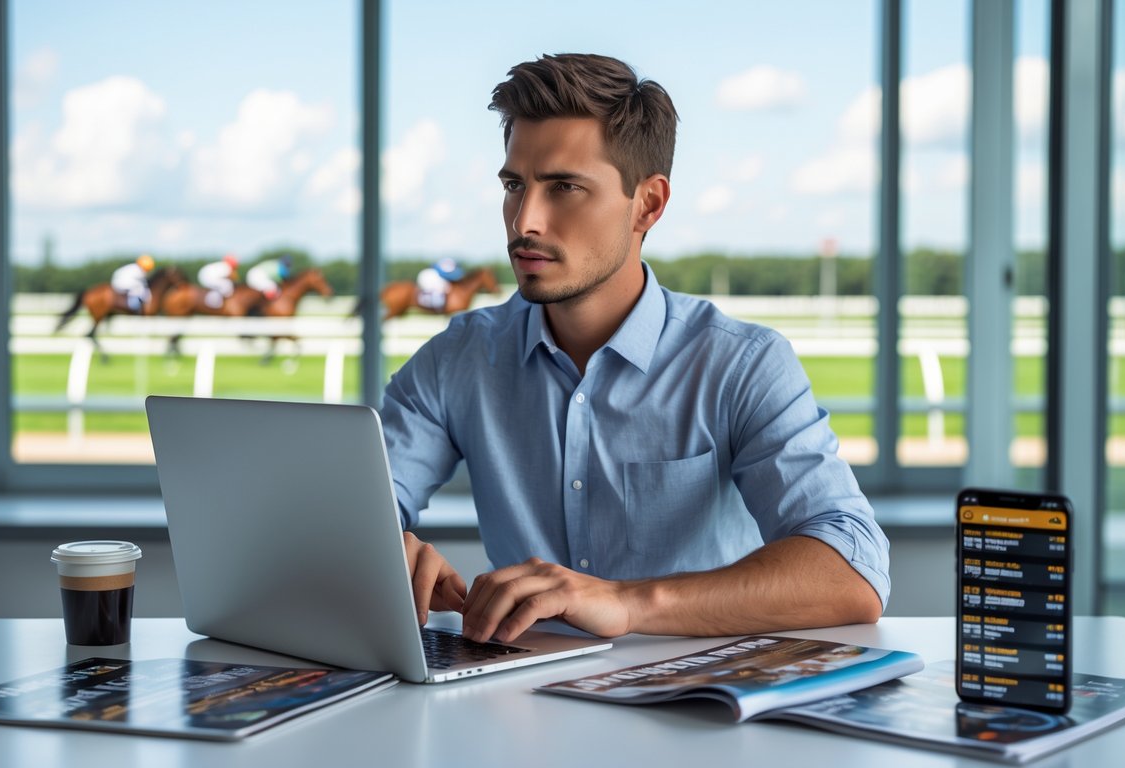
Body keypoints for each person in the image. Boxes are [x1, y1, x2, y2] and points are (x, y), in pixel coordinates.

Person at [381, 53, 890, 646]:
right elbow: (348, 504)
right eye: (515, 186)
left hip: (698, 709)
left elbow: (852, 572)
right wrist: (372, 542)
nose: (525, 221)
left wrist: (625, 602)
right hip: (521, 709)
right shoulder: (456, 361)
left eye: (565, 187)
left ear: (647, 204)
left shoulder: (742, 365)